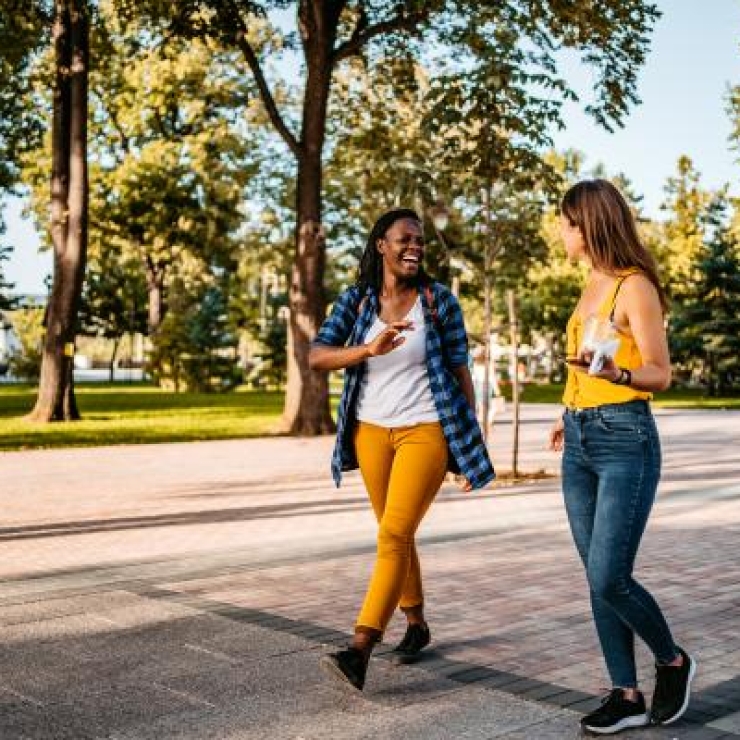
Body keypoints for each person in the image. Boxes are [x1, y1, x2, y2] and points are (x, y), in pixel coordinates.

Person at [309, 208, 495, 692]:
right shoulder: (357, 301)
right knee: (396, 532)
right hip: (370, 432)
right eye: (404, 239)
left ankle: (359, 648)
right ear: (381, 246)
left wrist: (468, 444)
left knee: (393, 533)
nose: (415, 247)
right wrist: (367, 349)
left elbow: (460, 372)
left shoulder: (438, 302)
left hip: (426, 430)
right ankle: (416, 624)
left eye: (420, 241)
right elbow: (318, 355)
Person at [548, 180, 696, 734]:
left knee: (610, 575)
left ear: (588, 225)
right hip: (581, 438)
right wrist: (568, 409)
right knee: (595, 576)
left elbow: (660, 370)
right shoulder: (590, 283)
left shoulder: (634, 287)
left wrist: (619, 376)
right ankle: (625, 692)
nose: (561, 231)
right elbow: (586, 366)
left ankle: (672, 660)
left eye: (566, 221)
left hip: (625, 439)